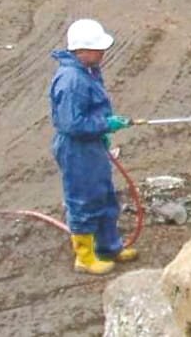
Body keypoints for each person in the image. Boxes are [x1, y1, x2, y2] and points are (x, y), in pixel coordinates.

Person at [49, 18, 136, 275]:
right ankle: (85, 257)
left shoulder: (86, 71)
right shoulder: (72, 81)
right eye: (98, 49)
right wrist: (104, 124)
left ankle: (109, 246)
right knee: (84, 199)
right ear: (82, 50)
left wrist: (102, 130)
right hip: (77, 149)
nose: (102, 52)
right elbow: (71, 123)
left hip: (90, 144)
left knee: (104, 195)